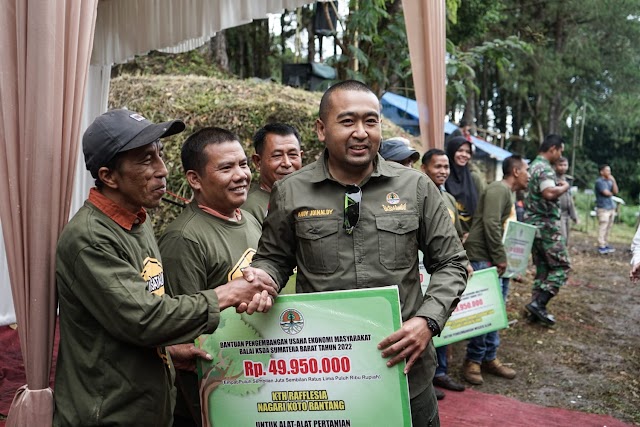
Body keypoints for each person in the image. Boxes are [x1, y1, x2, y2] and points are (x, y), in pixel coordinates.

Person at [250, 80, 469, 427]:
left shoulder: (416, 187)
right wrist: (265, 279)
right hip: (327, 372)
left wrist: (427, 321)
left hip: (405, 369)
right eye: (348, 121)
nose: (361, 133)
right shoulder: (291, 192)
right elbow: (275, 259)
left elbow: (452, 262)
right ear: (322, 129)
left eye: (371, 121)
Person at [54, 110, 277, 426]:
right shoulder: (91, 237)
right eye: (146, 160)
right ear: (108, 176)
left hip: (146, 405)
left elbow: (129, 314)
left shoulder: (137, 220)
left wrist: (169, 349)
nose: (163, 170)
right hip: (108, 413)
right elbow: (145, 318)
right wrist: (229, 293)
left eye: (159, 154)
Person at [158, 127, 265, 426]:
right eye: (226, 168)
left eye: (243, 164)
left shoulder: (249, 218)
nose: (241, 175)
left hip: (254, 374)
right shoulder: (185, 238)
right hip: (216, 388)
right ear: (195, 179)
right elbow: (183, 331)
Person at [461, 155, 529, 385]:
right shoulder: (498, 190)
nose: (529, 175)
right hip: (483, 256)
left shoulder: (507, 192)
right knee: (485, 312)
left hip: (496, 258)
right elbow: (490, 224)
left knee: (496, 311)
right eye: (526, 170)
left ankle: (489, 357)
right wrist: (500, 258)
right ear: (517, 171)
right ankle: (473, 360)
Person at [420, 149, 466, 399]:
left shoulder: (448, 198)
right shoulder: (416, 194)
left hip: (443, 269)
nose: (443, 171)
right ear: (424, 168)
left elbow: (457, 234)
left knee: (441, 317)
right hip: (421, 272)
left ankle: (441, 372)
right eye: (437, 166)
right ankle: (428, 377)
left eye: (446, 167)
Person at [523, 134, 571, 326]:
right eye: (560, 151)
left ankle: (535, 312)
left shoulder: (532, 166)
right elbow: (549, 193)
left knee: (543, 269)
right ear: (553, 149)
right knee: (562, 266)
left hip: (533, 225)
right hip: (545, 225)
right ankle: (539, 304)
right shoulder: (544, 168)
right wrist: (565, 187)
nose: (560, 156)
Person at [243, 123, 303, 224]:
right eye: (277, 156)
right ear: (258, 162)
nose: (287, 163)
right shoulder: (250, 208)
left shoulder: (310, 197)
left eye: (293, 155)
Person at [445, 136, 486, 237]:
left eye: (468, 152)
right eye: (460, 150)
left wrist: (472, 234)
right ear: (451, 151)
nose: (464, 155)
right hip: (447, 237)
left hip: (469, 237)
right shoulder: (443, 176)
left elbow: (481, 209)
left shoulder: (474, 178)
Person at [554, 157, 578, 245]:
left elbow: (569, 198)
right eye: (560, 165)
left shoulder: (567, 179)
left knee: (567, 238)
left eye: (565, 165)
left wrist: (574, 215)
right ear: (555, 166)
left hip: (566, 213)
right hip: (557, 213)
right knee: (561, 237)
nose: (563, 167)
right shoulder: (552, 178)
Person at [595, 164, 619, 254]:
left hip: (611, 207)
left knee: (609, 226)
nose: (609, 172)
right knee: (603, 226)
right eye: (607, 170)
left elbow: (615, 191)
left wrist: (614, 181)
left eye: (610, 170)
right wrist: (611, 192)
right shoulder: (599, 182)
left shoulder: (610, 181)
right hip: (603, 208)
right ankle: (601, 245)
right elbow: (606, 193)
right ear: (602, 172)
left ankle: (605, 243)